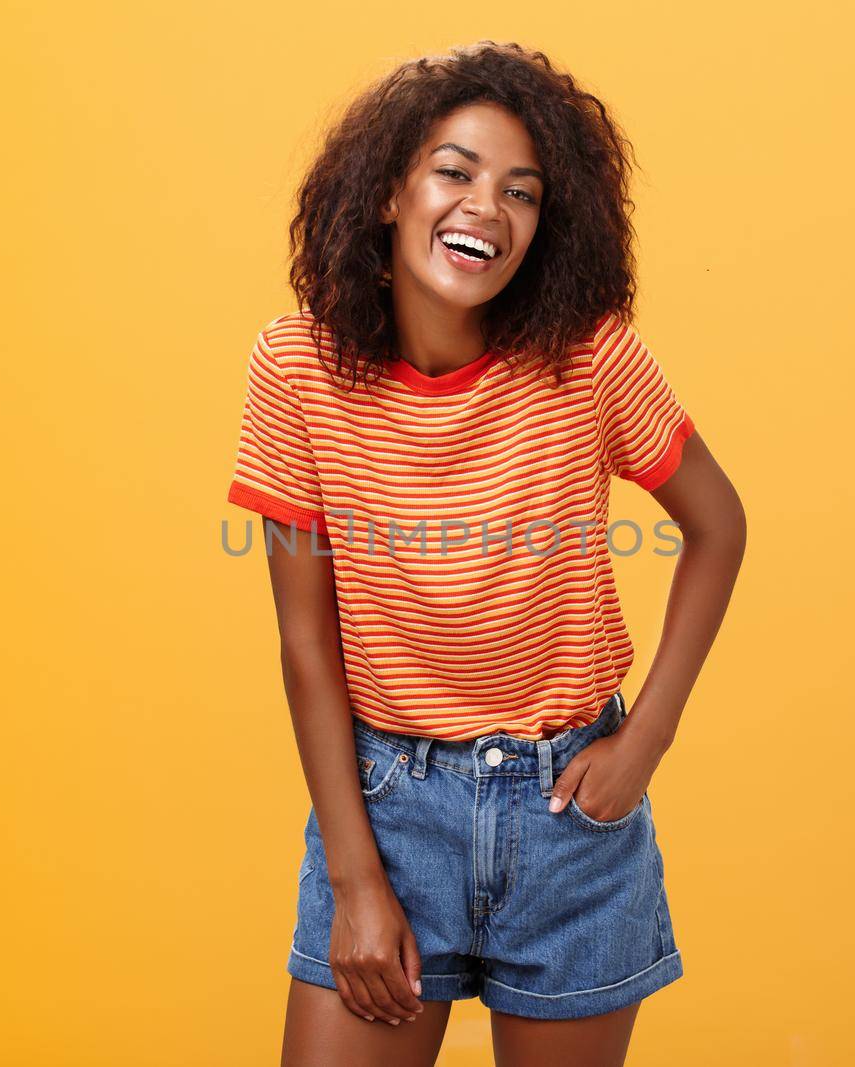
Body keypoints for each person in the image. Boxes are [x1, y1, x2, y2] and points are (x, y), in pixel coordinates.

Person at [225, 41, 746, 1067]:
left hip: (568, 827)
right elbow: (305, 642)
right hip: (385, 812)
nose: (486, 209)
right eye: (454, 171)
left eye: (522, 191)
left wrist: (645, 740)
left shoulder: (587, 356)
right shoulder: (295, 369)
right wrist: (359, 879)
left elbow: (718, 526)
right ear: (387, 192)